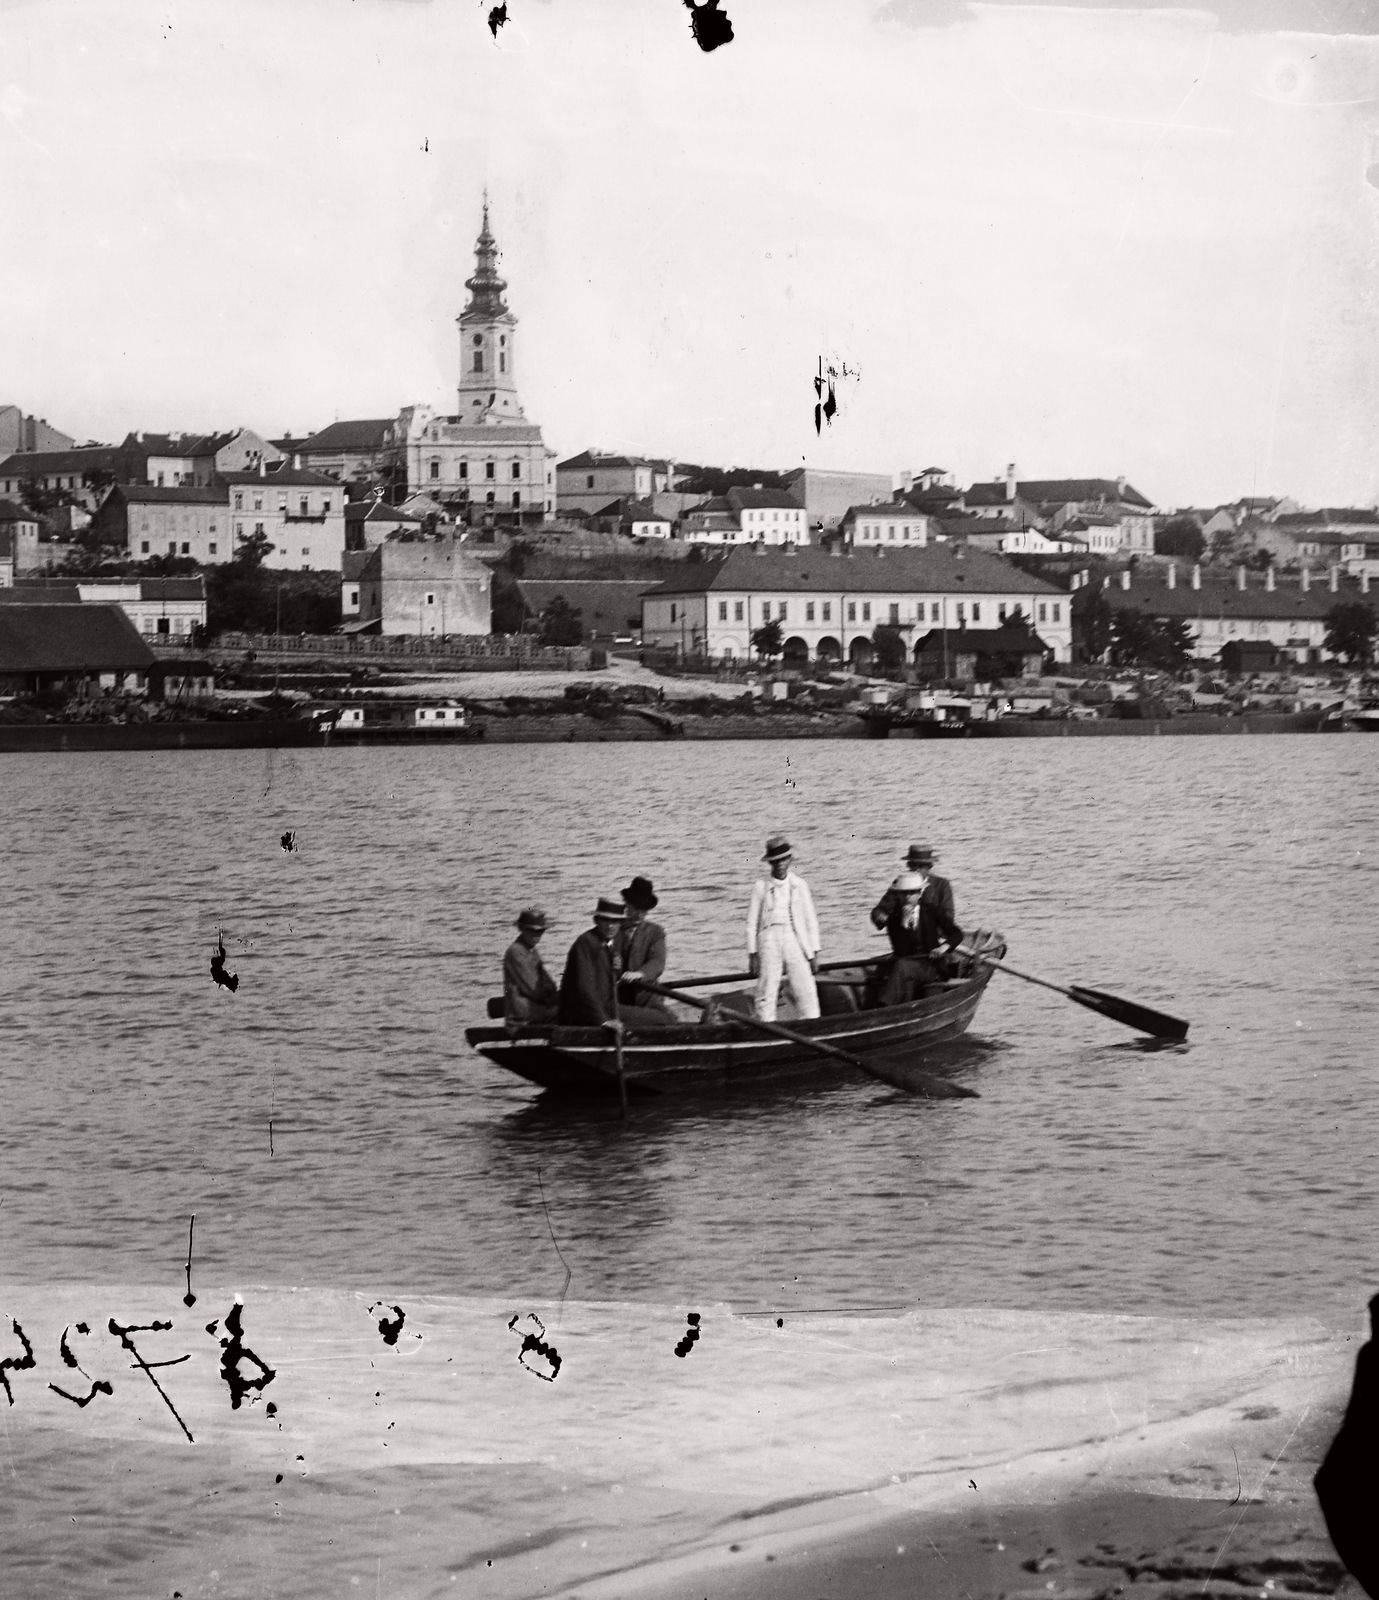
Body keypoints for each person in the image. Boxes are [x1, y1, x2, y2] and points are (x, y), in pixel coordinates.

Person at [869, 845, 964, 1007]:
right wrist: (897, 923)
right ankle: (888, 1007)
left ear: (930, 867)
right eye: (914, 866)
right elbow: (879, 912)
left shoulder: (941, 887)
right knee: (896, 967)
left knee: (902, 967)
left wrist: (940, 945)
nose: (917, 870)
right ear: (908, 865)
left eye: (922, 866)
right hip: (906, 956)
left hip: (931, 954)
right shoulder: (901, 885)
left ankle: (883, 1007)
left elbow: (950, 921)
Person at [558, 897, 670, 1028]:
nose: (610, 926)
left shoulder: (606, 942)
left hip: (604, 1007)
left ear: (621, 923)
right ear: (596, 920)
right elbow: (585, 988)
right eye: (605, 920)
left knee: (659, 1016)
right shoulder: (586, 943)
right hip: (588, 1013)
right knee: (666, 1018)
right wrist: (603, 1021)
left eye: (615, 921)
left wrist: (617, 970)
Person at [746, 835, 821, 1022]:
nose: (779, 864)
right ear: (770, 863)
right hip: (769, 938)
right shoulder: (761, 887)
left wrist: (814, 953)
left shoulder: (799, 885)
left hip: (794, 937)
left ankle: (812, 1022)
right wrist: (753, 954)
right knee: (767, 987)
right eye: (775, 861)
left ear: (789, 860)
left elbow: (811, 921)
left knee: (805, 986)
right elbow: (752, 922)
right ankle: (766, 1024)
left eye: (783, 860)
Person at [615, 876, 667, 1010]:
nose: (640, 914)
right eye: (636, 908)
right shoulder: (612, 930)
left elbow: (657, 961)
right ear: (626, 904)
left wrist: (639, 974)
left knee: (670, 1018)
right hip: (616, 998)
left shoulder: (656, 932)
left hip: (646, 996)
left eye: (644, 910)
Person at [503, 906, 560, 1025]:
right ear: (521, 929)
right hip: (523, 1014)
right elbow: (534, 989)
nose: (536, 935)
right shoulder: (516, 952)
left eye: (540, 931)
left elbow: (546, 982)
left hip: (535, 1008)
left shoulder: (532, 950)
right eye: (531, 931)